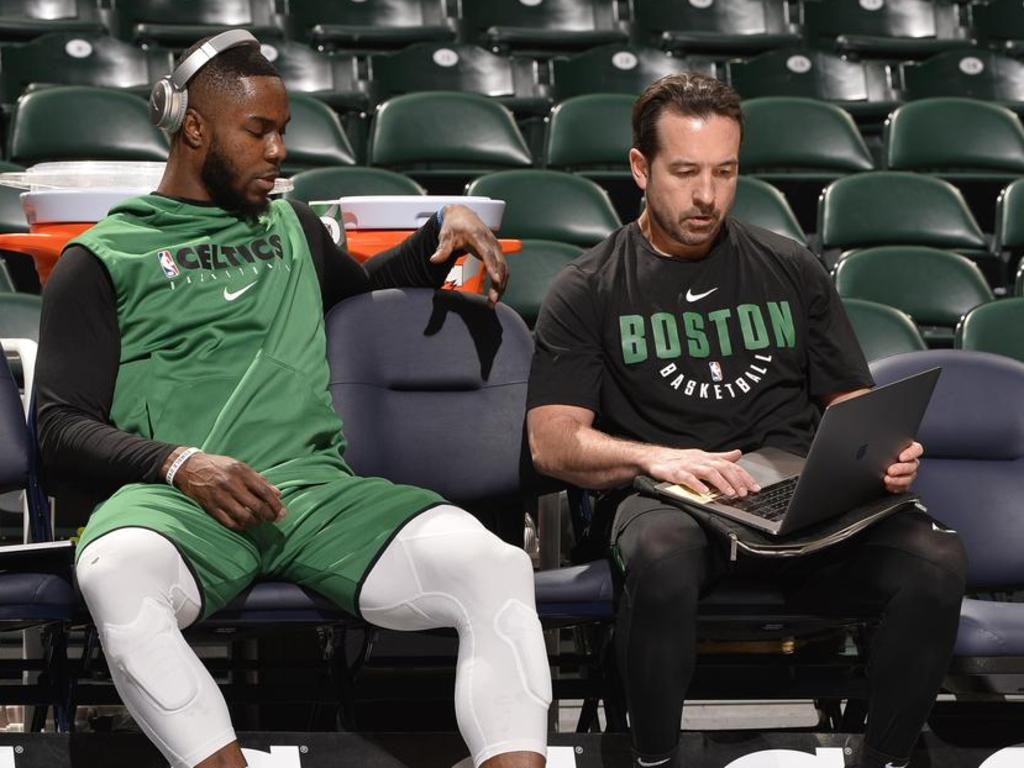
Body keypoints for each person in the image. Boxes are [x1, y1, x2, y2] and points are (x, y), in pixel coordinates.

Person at [36, 33, 550, 768]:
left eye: (284, 132)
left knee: (494, 566)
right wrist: (181, 465)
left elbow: (358, 297)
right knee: (113, 571)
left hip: (315, 493)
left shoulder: (293, 227)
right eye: (259, 132)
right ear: (193, 128)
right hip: (181, 500)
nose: (278, 151)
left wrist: (439, 234)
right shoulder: (101, 260)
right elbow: (58, 427)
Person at [526, 73, 966, 768]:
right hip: (671, 499)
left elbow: (846, 399)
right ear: (640, 168)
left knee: (936, 558)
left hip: (795, 496)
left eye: (725, 172)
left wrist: (880, 450)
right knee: (662, 557)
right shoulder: (588, 288)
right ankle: (655, 759)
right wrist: (654, 459)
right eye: (686, 172)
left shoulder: (790, 266)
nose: (707, 196)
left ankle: (882, 758)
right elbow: (551, 442)